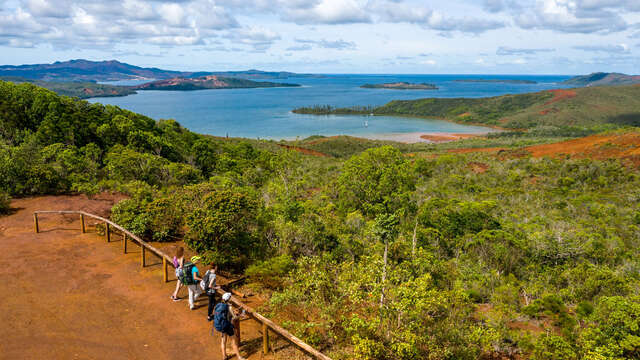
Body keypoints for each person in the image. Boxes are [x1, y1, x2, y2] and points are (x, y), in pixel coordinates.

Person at [214, 292, 245, 360]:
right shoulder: (229, 307)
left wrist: (233, 311)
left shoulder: (218, 304)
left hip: (220, 325)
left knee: (223, 341)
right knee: (234, 341)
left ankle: (224, 356)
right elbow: (234, 318)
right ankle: (239, 357)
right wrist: (241, 315)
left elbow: (225, 314)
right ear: (229, 299)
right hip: (227, 326)